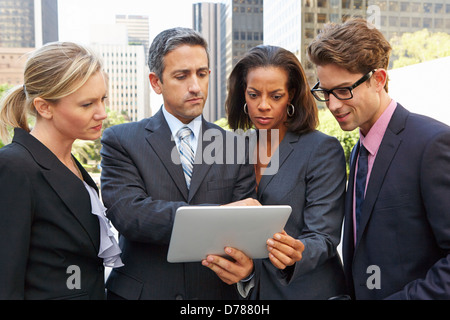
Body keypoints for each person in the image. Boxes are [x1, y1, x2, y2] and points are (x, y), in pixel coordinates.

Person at [100, 27, 258, 300]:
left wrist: (247, 269)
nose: (195, 86)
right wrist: (219, 213)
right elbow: (130, 215)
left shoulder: (236, 147)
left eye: (202, 73)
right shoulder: (121, 140)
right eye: (182, 76)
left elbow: (241, 226)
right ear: (156, 82)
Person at [307, 18, 450, 300]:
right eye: (325, 92)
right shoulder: (356, 152)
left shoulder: (432, 144)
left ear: (379, 79)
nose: (333, 105)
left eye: (344, 90)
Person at [221, 45, 348, 299]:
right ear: (242, 95)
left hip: (308, 292)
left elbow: (323, 237)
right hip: (250, 293)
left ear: (291, 95)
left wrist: (297, 251)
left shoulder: (321, 149)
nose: (263, 105)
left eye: (275, 96)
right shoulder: (233, 148)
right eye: (254, 94)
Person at [0, 42, 122, 300]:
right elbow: (6, 280)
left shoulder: (69, 163)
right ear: (44, 107)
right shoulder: (15, 166)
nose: (102, 113)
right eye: (87, 104)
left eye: (103, 99)